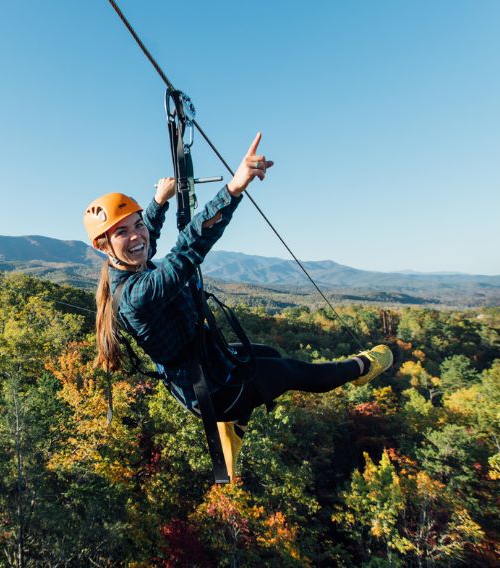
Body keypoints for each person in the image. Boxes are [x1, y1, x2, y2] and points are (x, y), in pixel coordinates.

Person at [83, 133, 393, 481]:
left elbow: (147, 238)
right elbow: (187, 251)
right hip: (211, 390)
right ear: (103, 245)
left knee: (269, 353)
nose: (137, 235)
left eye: (136, 224)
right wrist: (234, 188)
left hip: (208, 362)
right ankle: (361, 368)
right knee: (294, 371)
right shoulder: (135, 295)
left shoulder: (128, 267)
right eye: (122, 232)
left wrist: (157, 203)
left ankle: (233, 427)